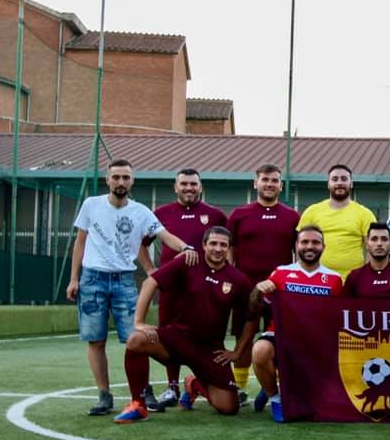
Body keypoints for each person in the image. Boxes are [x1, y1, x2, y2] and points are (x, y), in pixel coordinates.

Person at [66, 159, 196, 416]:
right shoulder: (91, 205)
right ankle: (104, 396)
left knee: (137, 340)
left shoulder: (141, 211)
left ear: (132, 181)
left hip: (125, 281)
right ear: (107, 179)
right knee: (96, 341)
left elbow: (164, 235)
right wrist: (74, 278)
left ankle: (143, 392)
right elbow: (80, 243)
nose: (121, 182)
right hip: (92, 280)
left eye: (126, 178)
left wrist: (185, 247)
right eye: (116, 177)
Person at [114, 226, 253, 423]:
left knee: (229, 407)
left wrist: (238, 352)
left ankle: (194, 385)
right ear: (204, 245)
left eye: (223, 245)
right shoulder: (188, 262)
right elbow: (150, 283)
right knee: (136, 340)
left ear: (229, 248)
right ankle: (138, 404)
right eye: (213, 243)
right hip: (177, 339)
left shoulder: (239, 280)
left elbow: (250, 318)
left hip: (210, 350)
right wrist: (139, 322)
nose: (218, 248)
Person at [137, 168, 227, 410]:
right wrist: (150, 269)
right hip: (172, 288)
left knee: (211, 331)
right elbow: (141, 243)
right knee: (168, 333)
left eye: (193, 184)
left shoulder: (215, 215)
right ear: (175, 187)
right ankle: (173, 385)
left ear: (201, 187)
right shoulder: (161, 214)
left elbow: (227, 247)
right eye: (184, 184)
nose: (189, 188)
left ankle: (212, 380)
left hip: (205, 288)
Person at [250, 225, 343, 422]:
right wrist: (258, 289)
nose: (310, 246)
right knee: (260, 351)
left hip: (313, 345)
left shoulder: (334, 279)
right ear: (296, 246)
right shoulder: (281, 273)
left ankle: (273, 388)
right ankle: (276, 398)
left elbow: (335, 318)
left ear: (323, 247)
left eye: (315, 242)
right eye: (305, 242)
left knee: (317, 406)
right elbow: (254, 306)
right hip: (280, 336)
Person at [226, 163, 300, 408]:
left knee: (279, 340)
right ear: (255, 183)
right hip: (246, 289)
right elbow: (230, 249)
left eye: (275, 180)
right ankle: (240, 387)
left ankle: (273, 386)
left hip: (280, 291)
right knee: (242, 340)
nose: (270, 184)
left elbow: (298, 253)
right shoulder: (239, 214)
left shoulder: (292, 216)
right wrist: (231, 277)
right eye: (265, 179)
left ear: (281, 185)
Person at [297, 164, 376, 280]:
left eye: (344, 179)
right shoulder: (312, 212)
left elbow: (372, 248)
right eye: (335, 179)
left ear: (351, 183)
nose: (339, 183)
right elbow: (299, 245)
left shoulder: (364, 214)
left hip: (351, 282)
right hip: (316, 281)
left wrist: (366, 276)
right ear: (328, 184)